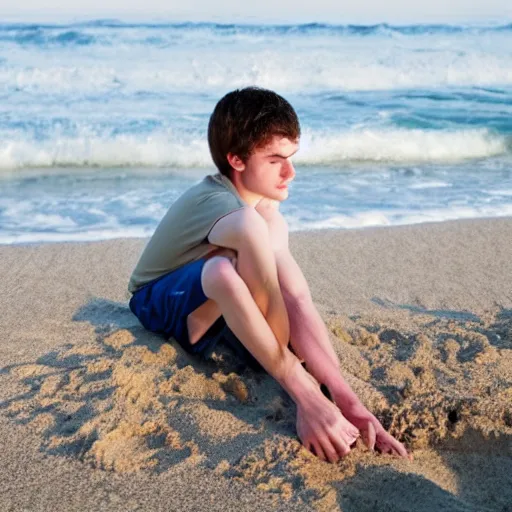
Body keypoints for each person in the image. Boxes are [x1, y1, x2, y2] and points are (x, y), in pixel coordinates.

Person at [128, 87, 410, 463]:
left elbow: (294, 298)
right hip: (160, 300)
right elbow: (267, 303)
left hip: (218, 309)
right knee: (222, 270)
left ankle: (314, 388)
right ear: (236, 160)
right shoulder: (231, 211)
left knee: (248, 260)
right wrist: (307, 397)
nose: (290, 173)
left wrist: (346, 398)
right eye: (276, 160)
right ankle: (303, 393)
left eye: (291, 158)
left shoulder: (264, 210)